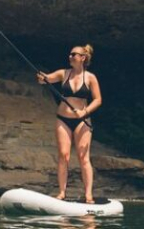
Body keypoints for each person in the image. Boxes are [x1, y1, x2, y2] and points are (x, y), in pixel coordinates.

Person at [37, 44, 102, 204]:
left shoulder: (90, 77)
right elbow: (47, 79)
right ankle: (61, 192)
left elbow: (98, 100)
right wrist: (42, 78)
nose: (70, 56)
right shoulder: (63, 73)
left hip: (82, 120)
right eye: (70, 54)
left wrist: (84, 112)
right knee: (63, 156)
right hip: (63, 118)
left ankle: (88, 195)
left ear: (83, 58)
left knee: (83, 157)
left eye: (74, 54)